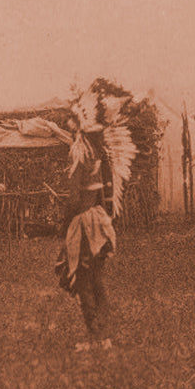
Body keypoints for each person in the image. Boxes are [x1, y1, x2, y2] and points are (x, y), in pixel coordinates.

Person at [54, 126, 117, 348]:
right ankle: (104, 336)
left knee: (83, 282)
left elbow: (74, 201)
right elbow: (103, 197)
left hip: (84, 225)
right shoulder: (100, 160)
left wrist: (64, 225)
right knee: (97, 281)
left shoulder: (80, 161)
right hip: (100, 223)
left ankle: (95, 336)